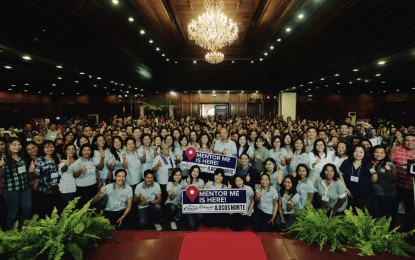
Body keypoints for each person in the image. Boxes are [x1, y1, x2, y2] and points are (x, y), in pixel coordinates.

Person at [0, 138, 32, 229]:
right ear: (8, 145)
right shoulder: (3, 157)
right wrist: (1, 166)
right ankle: (12, 233)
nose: (17, 147)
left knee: (28, 209)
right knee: (13, 211)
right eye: (14, 144)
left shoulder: (22, 156)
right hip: (11, 189)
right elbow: (1, 175)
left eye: (19, 145)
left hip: (25, 187)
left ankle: (23, 228)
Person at [340, 145, 376, 212]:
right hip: (349, 194)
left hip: (364, 195)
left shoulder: (368, 164)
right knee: (348, 215)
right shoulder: (346, 162)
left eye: (361, 152)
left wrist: (374, 173)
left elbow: (374, 180)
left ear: (364, 153)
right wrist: (344, 187)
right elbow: (340, 174)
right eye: (356, 151)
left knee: (361, 217)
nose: (358, 154)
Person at [390, 134, 415, 231]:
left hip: (412, 188)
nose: (410, 143)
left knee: (411, 212)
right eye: (407, 140)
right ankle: (394, 231)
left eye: (413, 141)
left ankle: (409, 232)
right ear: (403, 141)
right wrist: (390, 152)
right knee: (395, 210)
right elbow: (390, 163)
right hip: (397, 186)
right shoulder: (396, 150)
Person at [34, 140, 61, 217]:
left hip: (56, 189)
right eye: (47, 147)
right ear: (42, 148)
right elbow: (36, 175)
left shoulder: (57, 158)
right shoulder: (39, 160)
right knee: (46, 212)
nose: (49, 149)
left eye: (51, 147)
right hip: (44, 190)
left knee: (56, 211)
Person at [370, 145, 396, 218]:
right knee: (375, 216)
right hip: (374, 193)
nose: (379, 154)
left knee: (386, 217)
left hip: (388, 195)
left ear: (385, 154)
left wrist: (389, 171)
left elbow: (394, 180)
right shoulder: (369, 163)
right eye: (376, 152)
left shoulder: (390, 164)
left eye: (382, 153)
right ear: (373, 153)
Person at [72, 143, 101, 207]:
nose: (86, 152)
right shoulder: (78, 162)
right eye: (84, 150)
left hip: (93, 186)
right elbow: (74, 175)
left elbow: (95, 171)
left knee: (93, 206)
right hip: (82, 188)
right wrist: (80, 170)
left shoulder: (92, 160)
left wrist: (99, 181)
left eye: (88, 150)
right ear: (81, 151)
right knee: (82, 207)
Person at [184, 165, 204, 230]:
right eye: (193, 171)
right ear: (191, 171)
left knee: (201, 217)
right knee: (192, 226)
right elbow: (186, 195)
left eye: (197, 172)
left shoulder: (201, 181)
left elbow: (202, 195)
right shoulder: (185, 181)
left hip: (198, 205)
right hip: (188, 207)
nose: (195, 173)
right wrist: (189, 183)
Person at [58, 143, 78, 209]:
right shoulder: (63, 162)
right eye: (68, 149)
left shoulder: (78, 161)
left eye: (73, 149)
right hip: (66, 189)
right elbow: (63, 170)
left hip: (77, 188)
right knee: (67, 210)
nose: (71, 151)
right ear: (65, 151)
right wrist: (66, 164)